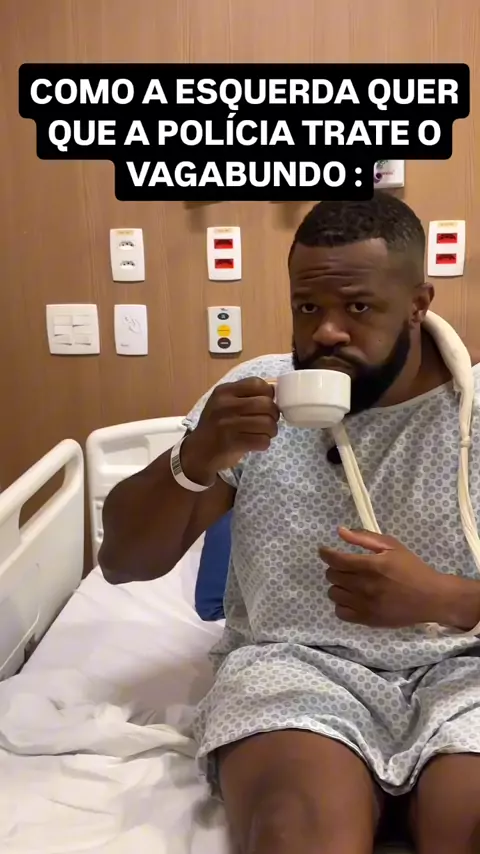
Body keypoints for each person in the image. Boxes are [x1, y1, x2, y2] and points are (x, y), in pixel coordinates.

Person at [99, 193, 480, 854]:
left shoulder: (473, 414)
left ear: (419, 302)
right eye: (308, 307)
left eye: (357, 307)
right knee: (296, 832)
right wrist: (195, 457)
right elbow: (122, 562)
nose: (326, 332)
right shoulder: (255, 399)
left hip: (463, 677)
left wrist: (445, 599)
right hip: (296, 672)